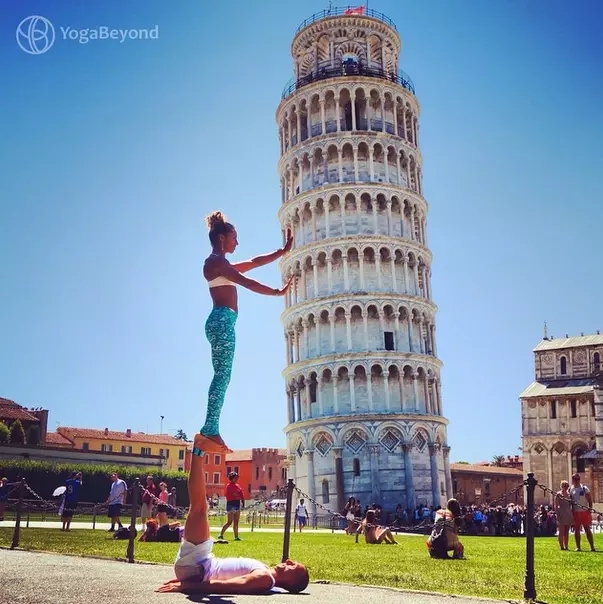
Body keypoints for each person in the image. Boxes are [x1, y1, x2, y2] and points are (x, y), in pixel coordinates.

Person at [156, 434, 309, 595]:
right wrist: (186, 580)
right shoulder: (266, 574)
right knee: (200, 506)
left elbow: (226, 586)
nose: (289, 561)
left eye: (293, 566)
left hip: (196, 566)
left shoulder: (265, 579)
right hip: (198, 565)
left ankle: (199, 448)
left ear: (291, 582)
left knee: (199, 507)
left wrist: (189, 586)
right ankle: (199, 448)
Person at [197, 211, 293, 453]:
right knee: (222, 376)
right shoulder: (215, 263)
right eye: (234, 237)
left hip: (221, 322)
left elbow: (254, 262)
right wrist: (277, 292)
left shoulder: (220, 264)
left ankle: (211, 427)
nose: (236, 242)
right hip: (222, 322)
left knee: (222, 375)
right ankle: (210, 429)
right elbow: (246, 281)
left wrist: (281, 252)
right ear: (221, 238)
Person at [569, 473, 596, 552]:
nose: (577, 480)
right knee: (577, 530)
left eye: (578, 479)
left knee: (587, 529)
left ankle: (592, 547)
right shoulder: (571, 489)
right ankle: (578, 547)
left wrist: (590, 510)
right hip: (575, 512)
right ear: (573, 480)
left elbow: (590, 500)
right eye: (575, 479)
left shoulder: (584, 488)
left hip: (585, 512)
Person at [217, 472, 245, 542]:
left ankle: (236, 536)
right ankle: (221, 534)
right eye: (235, 478)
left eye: (237, 478)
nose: (236, 479)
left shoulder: (238, 486)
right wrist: (236, 495)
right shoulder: (229, 486)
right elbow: (229, 494)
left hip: (237, 504)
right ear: (231, 478)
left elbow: (241, 494)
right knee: (229, 521)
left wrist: (243, 502)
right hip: (231, 504)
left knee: (236, 522)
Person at [554, 480, 573, 550]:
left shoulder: (569, 494)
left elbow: (571, 505)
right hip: (561, 513)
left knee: (567, 532)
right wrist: (557, 514)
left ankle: (566, 546)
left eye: (567, 486)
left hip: (568, 513)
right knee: (561, 531)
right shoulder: (558, 494)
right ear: (561, 486)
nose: (566, 487)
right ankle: (561, 546)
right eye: (564, 486)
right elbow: (556, 505)